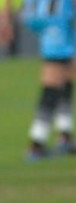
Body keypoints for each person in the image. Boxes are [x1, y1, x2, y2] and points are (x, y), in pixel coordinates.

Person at [19, 0, 75, 159]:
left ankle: (65, 136)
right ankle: (36, 144)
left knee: (65, 82)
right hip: (57, 29)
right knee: (52, 87)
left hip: (63, 29)